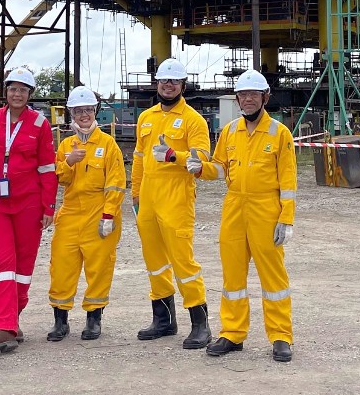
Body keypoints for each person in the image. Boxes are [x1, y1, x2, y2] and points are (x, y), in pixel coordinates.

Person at [192, 69, 296, 363]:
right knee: (232, 276)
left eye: (253, 94)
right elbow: (220, 168)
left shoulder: (279, 133)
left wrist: (285, 218)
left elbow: (288, 181)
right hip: (234, 208)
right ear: (237, 99)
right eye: (243, 94)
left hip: (266, 209)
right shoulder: (230, 131)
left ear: (265, 97)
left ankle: (280, 337)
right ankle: (232, 334)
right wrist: (198, 167)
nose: (247, 99)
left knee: (273, 278)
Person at [0, 66, 56, 354]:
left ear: (30, 94)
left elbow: (47, 169)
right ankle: (2, 327)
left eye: (23, 90)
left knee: (24, 269)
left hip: (29, 204)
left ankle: (12, 319)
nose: (17, 94)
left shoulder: (39, 125)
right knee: (2, 264)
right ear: (6, 92)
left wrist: (48, 207)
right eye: (13, 88)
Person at [132, 58, 212, 349]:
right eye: (164, 80)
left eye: (174, 81)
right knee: (154, 262)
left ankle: (200, 324)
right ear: (157, 83)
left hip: (177, 198)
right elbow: (139, 158)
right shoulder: (147, 117)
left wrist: (174, 156)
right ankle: (163, 320)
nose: (168, 85)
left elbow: (202, 157)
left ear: (183, 85)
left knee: (182, 262)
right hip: (149, 200)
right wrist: (136, 194)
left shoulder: (193, 120)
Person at [47, 86, 126, 342]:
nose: (84, 115)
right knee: (61, 266)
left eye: (88, 110)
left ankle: (94, 319)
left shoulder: (107, 144)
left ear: (95, 112)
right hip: (70, 212)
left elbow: (116, 182)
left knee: (99, 267)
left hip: (98, 211)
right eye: (79, 111)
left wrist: (109, 215)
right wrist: (68, 162)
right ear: (71, 112)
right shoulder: (66, 145)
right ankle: (60, 321)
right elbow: (60, 179)